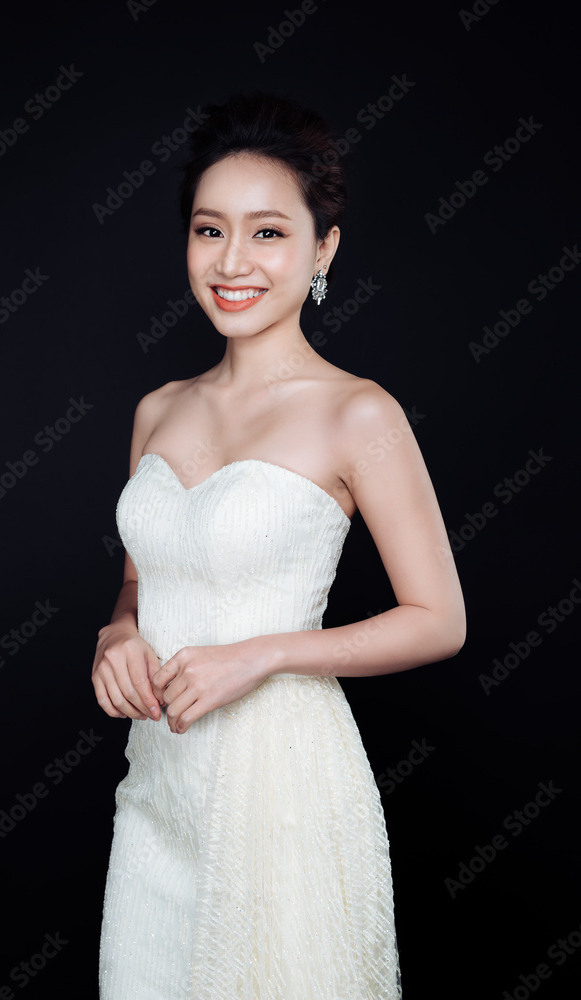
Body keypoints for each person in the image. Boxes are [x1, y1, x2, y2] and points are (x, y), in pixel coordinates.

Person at [94, 90, 466, 1000]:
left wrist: (259, 655)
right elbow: (143, 580)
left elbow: (438, 619)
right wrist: (117, 633)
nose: (232, 262)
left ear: (322, 248)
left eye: (267, 234)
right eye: (209, 230)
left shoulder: (356, 412)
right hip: (159, 787)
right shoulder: (158, 409)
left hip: (280, 790)